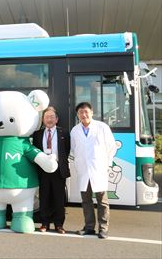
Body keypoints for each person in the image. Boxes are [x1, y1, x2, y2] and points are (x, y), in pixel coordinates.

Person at [71, 102, 116, 239]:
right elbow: (74, 149)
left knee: (102, 201)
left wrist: (107, 164)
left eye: (86, 111)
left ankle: (103, 228)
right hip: (84, 170)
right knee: (86, 201)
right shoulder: (75, 130)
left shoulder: (102, 127)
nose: (83, 115)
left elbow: (111, 147)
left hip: (99, 169)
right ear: (78, 115)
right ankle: (89, 227)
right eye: (80, 113)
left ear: (91, 112)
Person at [31, 106, 70, 234]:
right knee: (45, 196)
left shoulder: (64, 133)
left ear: (57, 119)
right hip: (43, 170)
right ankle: (44, 223)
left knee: (59, 198)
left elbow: (66, 150)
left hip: (59, 169)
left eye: (52, 117)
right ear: (43, 120)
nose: (49, 119)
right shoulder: (37, 134)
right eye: (47, 117)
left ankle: (59, 224)